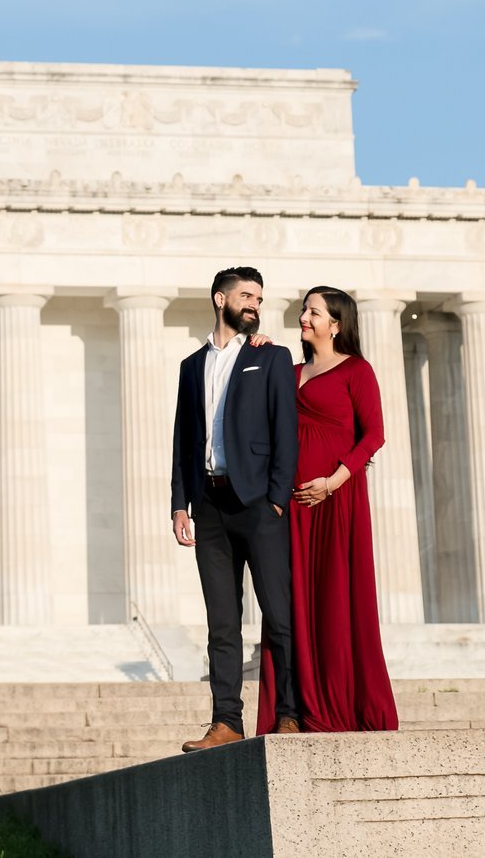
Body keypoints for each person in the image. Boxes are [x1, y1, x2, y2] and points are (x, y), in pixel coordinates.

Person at [253, 284, 399, 733]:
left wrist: (333, 482)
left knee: (336, 599)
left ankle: (340, 706)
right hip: (291, 506)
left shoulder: (357, 370)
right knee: (287, 603)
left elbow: (373, 435)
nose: (304, 318)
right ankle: (291, 709)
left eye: (314, 312)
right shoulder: (289, 370)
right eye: (303, 310)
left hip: (336, 502)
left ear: (336, 324)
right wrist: (251, 347)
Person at [170, 265, 304, 749]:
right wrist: (180, 504)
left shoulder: (272, 359)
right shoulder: (190, 366)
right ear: (219, 299)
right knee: (221, 622)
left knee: (279, 614)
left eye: (259, 298)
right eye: (246, 295)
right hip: (208, 505)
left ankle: (289, 713)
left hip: (258, 506)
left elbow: (285, 434)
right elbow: (184, 440)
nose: (255, 304)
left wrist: (275, 499)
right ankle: (225, 721)